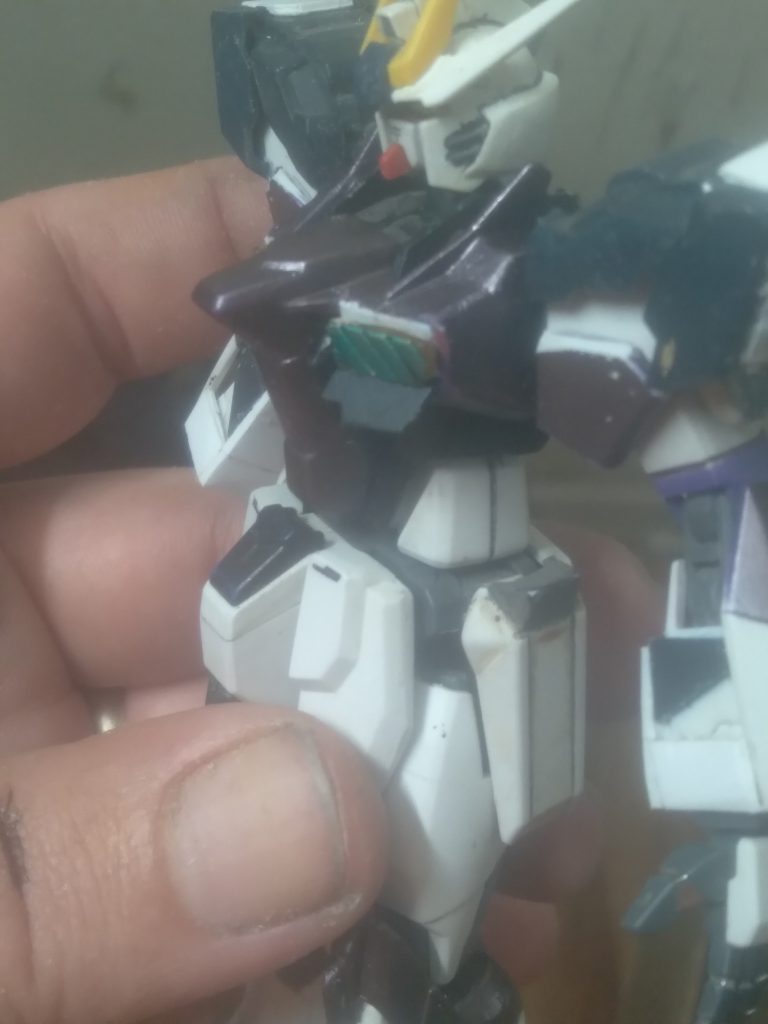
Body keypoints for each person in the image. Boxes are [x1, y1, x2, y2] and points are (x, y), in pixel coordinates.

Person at [0, 157, 661, 1024]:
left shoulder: (490, 545)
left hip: (439, 698)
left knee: (427, 932)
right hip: (331, 674)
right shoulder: (304, 461)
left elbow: (532, 795)